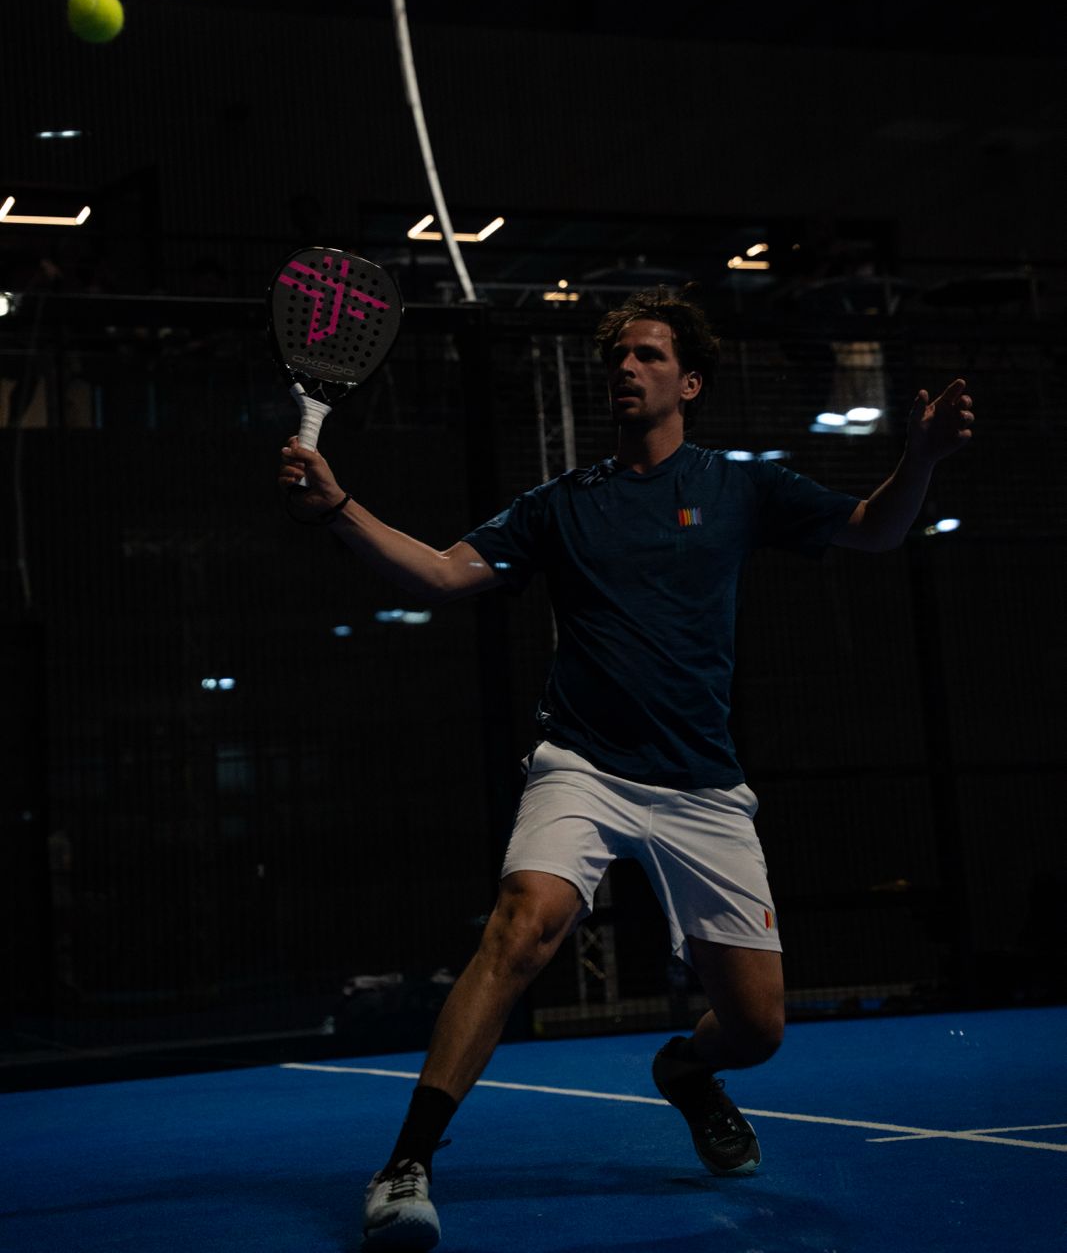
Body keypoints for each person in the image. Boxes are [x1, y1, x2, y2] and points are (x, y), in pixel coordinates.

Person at [277, 286, 975, 1252]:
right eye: (618, 359)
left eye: (648, 356)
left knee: (759, 1029)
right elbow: (440, 573)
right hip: (583, 765)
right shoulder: (562, 506)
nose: (626, 369)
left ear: (688, 381)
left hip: (703, 785)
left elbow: (874, 528)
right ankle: (406, 1165)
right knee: (521, 928)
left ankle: (687, 1075)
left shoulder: (741, 487)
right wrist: (339, 508)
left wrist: (924, 458)